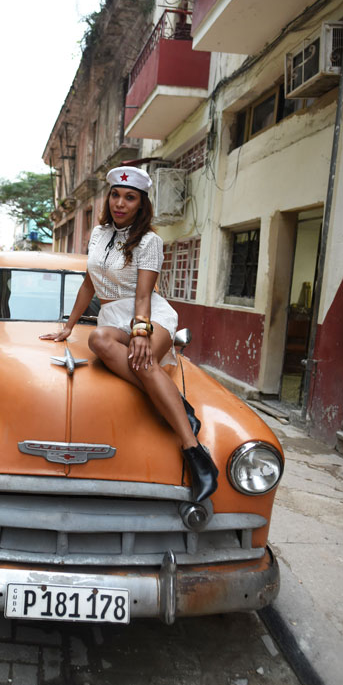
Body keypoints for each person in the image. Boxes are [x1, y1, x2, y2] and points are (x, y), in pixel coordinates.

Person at [40, 164, 218, 503]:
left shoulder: (149, 241)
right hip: (111, 316)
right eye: (116, 195)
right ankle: (176, 405)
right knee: (98, 340)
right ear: (109, 198)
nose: (121, 203)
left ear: (141, 203)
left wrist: (140, 331)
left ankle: (196, 455)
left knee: (143, 361)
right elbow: (89, 284)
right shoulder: (97, 235)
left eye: (130, 197)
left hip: (149, 314)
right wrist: (68, 326)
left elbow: (141, 295)